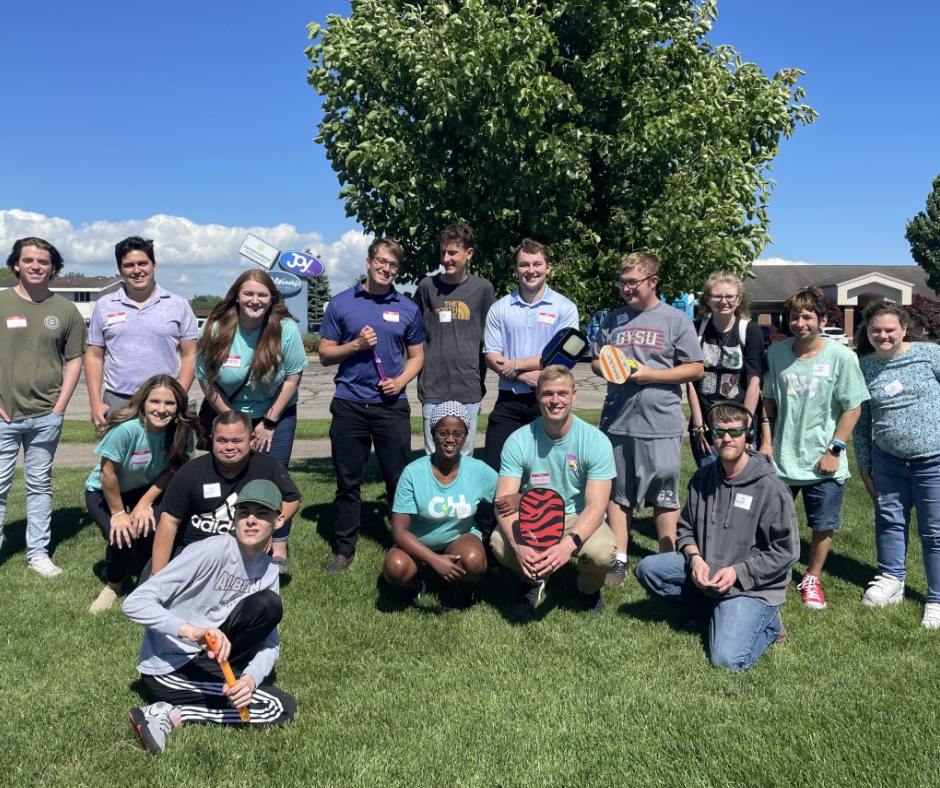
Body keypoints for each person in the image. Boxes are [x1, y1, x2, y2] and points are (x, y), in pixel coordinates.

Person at [124, 480, 296, 754]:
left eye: (262, 514)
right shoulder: (213, 550)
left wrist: (249, 679)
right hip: (172, 666)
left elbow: (270, 643)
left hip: (213, 657)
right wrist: (191, 631)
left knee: (269, 604)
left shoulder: (268, 571)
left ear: (278, 521)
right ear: (234, 516)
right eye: (244, 512)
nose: (251, 521)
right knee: (278, 706)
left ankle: (186, 705)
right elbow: (135, 602)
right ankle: (168, 714)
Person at [635, 401, 799, 670]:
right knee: (649, 569)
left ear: (748, 435)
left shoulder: (771, 488)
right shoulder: (702, 479)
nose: (726, 439)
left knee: (726, 660)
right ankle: (714, 611)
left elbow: (787, 551)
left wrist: (738, 572)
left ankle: (769, 624)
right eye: (718, 432)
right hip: (709, 572)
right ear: (710, 435)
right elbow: (685, 528)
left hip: (752, 587)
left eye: (735, 432)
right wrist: (695, 557)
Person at [590, 252, 704, 584]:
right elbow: (597, 360)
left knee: (664, 496)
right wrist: (609, 369)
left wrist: (650, 375)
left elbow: (695, 368)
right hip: (617, 421)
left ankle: (668, 559)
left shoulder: (675, 320)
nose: (625, 288)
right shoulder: (613, 320)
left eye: (632, 282)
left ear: (653, 281)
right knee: (618, 494)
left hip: (660, 423)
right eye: (622, 282)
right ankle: (620, 558)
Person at [319, 237, 426, 573]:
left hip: (391, 406)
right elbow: (324, 354)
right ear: (368, 262)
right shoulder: (342, 303)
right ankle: (345, 547)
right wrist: (356, 345)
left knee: (397, 479)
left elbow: (418, 357)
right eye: (381, 261)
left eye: (393, 265)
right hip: (350, 404)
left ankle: (401, 541)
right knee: (348, 480)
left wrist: (401, 381)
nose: (386, 269)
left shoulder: (407, 307)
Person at [760, 286, 869, 610]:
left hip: (825, 462)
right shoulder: (776, 355)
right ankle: (775, 573)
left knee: (823, 525)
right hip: (782, 459)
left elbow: (853, 408)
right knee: (772, 521)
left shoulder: (842, 357)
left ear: (821, 319)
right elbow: (768, 402)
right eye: (795, 316)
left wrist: (834, 451)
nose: (800, 322)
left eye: (807, 316)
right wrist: (766, 442)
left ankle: (812, 578)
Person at [196, 269, 308, 570]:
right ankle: (233, 541)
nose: (255, 300)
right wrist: (232, 420)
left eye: (262, 294)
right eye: (249, 293)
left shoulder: (285, 329)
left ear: (272, 298)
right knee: (233, 476)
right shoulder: (216, 327)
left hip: (277, 414)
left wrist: (268, 423)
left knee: (273, 478)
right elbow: (205, 378)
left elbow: (293, 377)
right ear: (236, 295)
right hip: (229, 412)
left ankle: (279, 546)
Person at [491, 366, 616, 614]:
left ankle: (588, 589)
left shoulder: (595, 441)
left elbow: (597, 506)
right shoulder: (519, 440)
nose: (555, 401)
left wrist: (568, 545)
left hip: (577, 517)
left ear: (574, 395)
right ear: (537, 394)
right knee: (499, 544)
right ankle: (534, 578)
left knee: (602, 553)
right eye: (548, 394)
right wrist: (519, 547)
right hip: (533, 517)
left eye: (562, 393)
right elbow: (502, 502)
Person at [480, 239, 578, 542]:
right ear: (516, 269)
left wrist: (518, 365)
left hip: (549, 403)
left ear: (548, 267)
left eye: (537, 264)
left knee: (549, 469)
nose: (531, 270)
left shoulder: (564, 307)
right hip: (509, 401)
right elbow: (491, 354)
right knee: (495, 469)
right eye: (524, 264)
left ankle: (550, 531)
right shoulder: (500, 308)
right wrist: (527, 375)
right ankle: (488, 536)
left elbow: (566, 354)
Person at [0, 237, 87, 577]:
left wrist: (60, 407)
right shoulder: (2, 302)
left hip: (46, 416)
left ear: (53, 268)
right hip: (4, 416)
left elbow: (75, 360)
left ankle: (37, 552)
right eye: (29, 260)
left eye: (44, 261)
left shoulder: (65, 311)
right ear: (16, 264)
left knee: (39, 485)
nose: (36, 266)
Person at [852, 301, 940, 628]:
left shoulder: (930, 354)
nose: (883, 335)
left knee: (935, 532)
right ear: (867, 331)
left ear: (904, 328)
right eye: (876, 330)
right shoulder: (863, 366)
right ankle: (892, 579)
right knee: (889, 520)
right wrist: (864, 466)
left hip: (933, 460)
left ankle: (936, 598)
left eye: (890, 329)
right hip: (887, 461)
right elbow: (860, 423)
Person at [86, 375, 197, 613]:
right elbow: (107, 474)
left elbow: (173, 470)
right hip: (105, 491)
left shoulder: (182, 432)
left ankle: (148, 584)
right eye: (155, 401)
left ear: (178, 406)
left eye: (169, 403)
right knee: (122, 535)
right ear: (143, 403)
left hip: (145, 490)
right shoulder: (126, 430)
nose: (161, 409)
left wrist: (145, 503)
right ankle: (113, 586)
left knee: (150, 531)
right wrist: (118, 513)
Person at [148, 410, 300, 576]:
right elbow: (169, 522)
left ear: (251, 440)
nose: (229, 447)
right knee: (151, 591)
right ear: (212, 439)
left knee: (257, 600)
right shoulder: (190, 472)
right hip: (192, 550)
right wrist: (157, 575)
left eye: (237, 440)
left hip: (243, 549)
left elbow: (291, 499)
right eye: (222, 440)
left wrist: (267, 529)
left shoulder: (267, 466)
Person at [383, 401, 496, 607]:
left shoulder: (477, 470)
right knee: (395, 568)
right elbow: (399, 531)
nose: (450, 439)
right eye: (443, 432)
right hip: (420, 541)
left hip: (459, 537)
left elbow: (504, 496)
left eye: (458, 433)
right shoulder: (413, 473)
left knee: (475, 561)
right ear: (433, 433)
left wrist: (515, 497)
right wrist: (434, 560)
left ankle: (463, 589)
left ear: (465, 436)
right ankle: (416, 585)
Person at [86, 236, 198, 427]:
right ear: (120, 270)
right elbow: (94, 356)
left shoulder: (178, 304)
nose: (137, 270)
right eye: (129, 265)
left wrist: (179, 395)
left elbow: (191, 354)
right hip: (118, 400)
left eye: (142, 263)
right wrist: (95, 402)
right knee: (118, 457)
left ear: (154, 265)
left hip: (164, 402)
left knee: (167, 456)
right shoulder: (105, 305)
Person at [415, 223, 495, 455]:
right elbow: (414, 335)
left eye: (452, 252)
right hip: (433, 386)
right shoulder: (427, 287)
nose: (446, 258)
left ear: (468, 253)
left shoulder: (483, 289)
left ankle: (465, 493)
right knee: (435, 454)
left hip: (468, 385)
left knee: (464, 456)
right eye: (443, 252)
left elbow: (490, 337)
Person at [686, 271, 764, 467]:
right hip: (706, 426)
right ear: (707, 299)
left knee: (741, 484)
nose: (724, 301)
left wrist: (745, 428)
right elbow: (690, 382)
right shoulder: (695, 330)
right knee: (710, 484)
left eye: (730, 296)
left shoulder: (750, 331)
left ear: (739, 299)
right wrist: (698, 425)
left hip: (739, 425)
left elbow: (754, 383)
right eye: (717, 296)